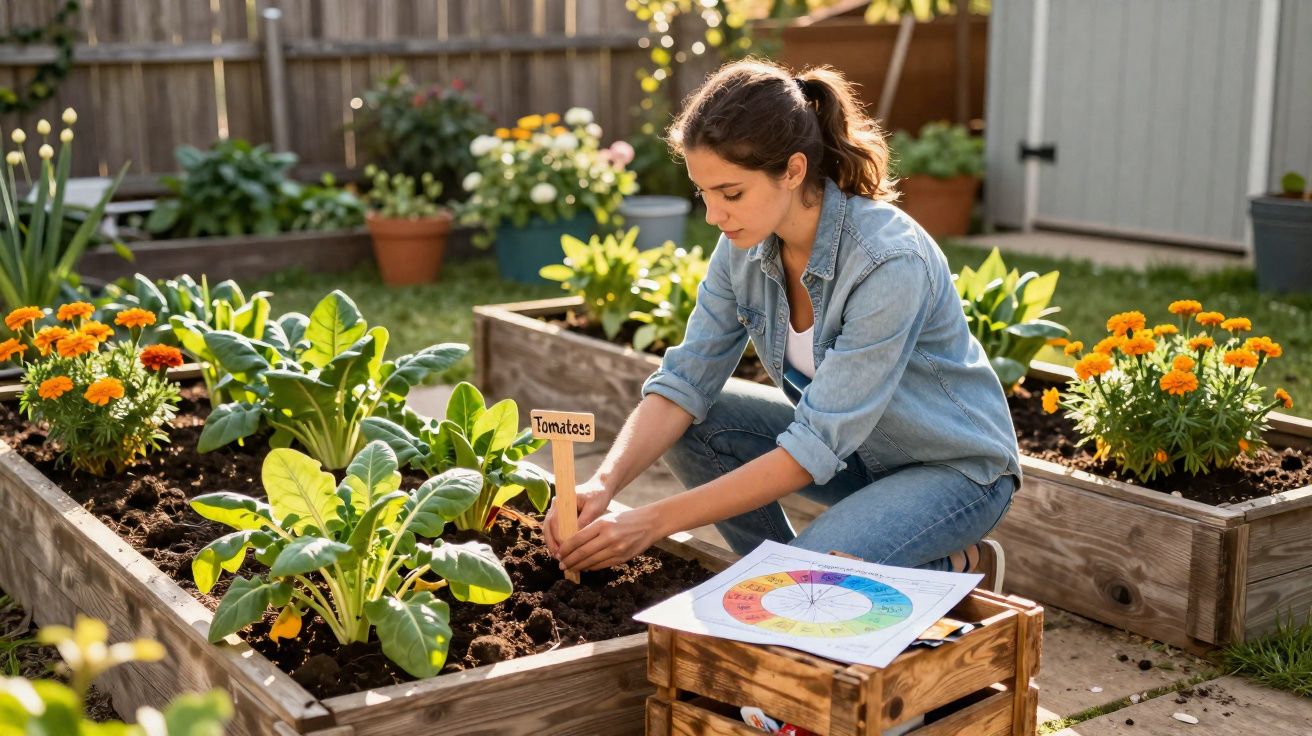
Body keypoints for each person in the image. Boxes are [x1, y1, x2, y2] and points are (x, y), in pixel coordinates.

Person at [543, 58, 1021, 583]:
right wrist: (604, 485)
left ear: (793, 171)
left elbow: (813, 445)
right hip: (855, 456)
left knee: (806, 576)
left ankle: (955, 564)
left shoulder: (888, 262)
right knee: (696, 427)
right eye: (703, 193)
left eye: (731, 193)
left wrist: (649, 521)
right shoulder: (742, 248)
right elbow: (684, 382)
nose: (713, 215)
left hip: (952, 471)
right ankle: (780, 579)